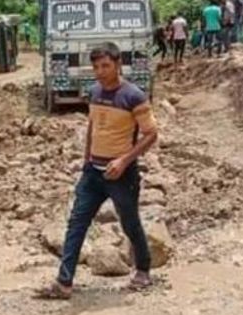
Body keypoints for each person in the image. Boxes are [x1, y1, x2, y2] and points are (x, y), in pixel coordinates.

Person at [34, 43, 158, 299]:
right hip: (93, 173)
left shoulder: (133, 96)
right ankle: (64, 283)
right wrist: (86, 160)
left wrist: (124, 161)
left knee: (130, 221)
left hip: (121, 175)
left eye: (106, 66)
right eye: (96, 67)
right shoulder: (94, 92)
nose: (100, 72)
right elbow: (92, 127)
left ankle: (143, 269)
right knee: (76, 223)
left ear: (118, 65)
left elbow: (151, 134)